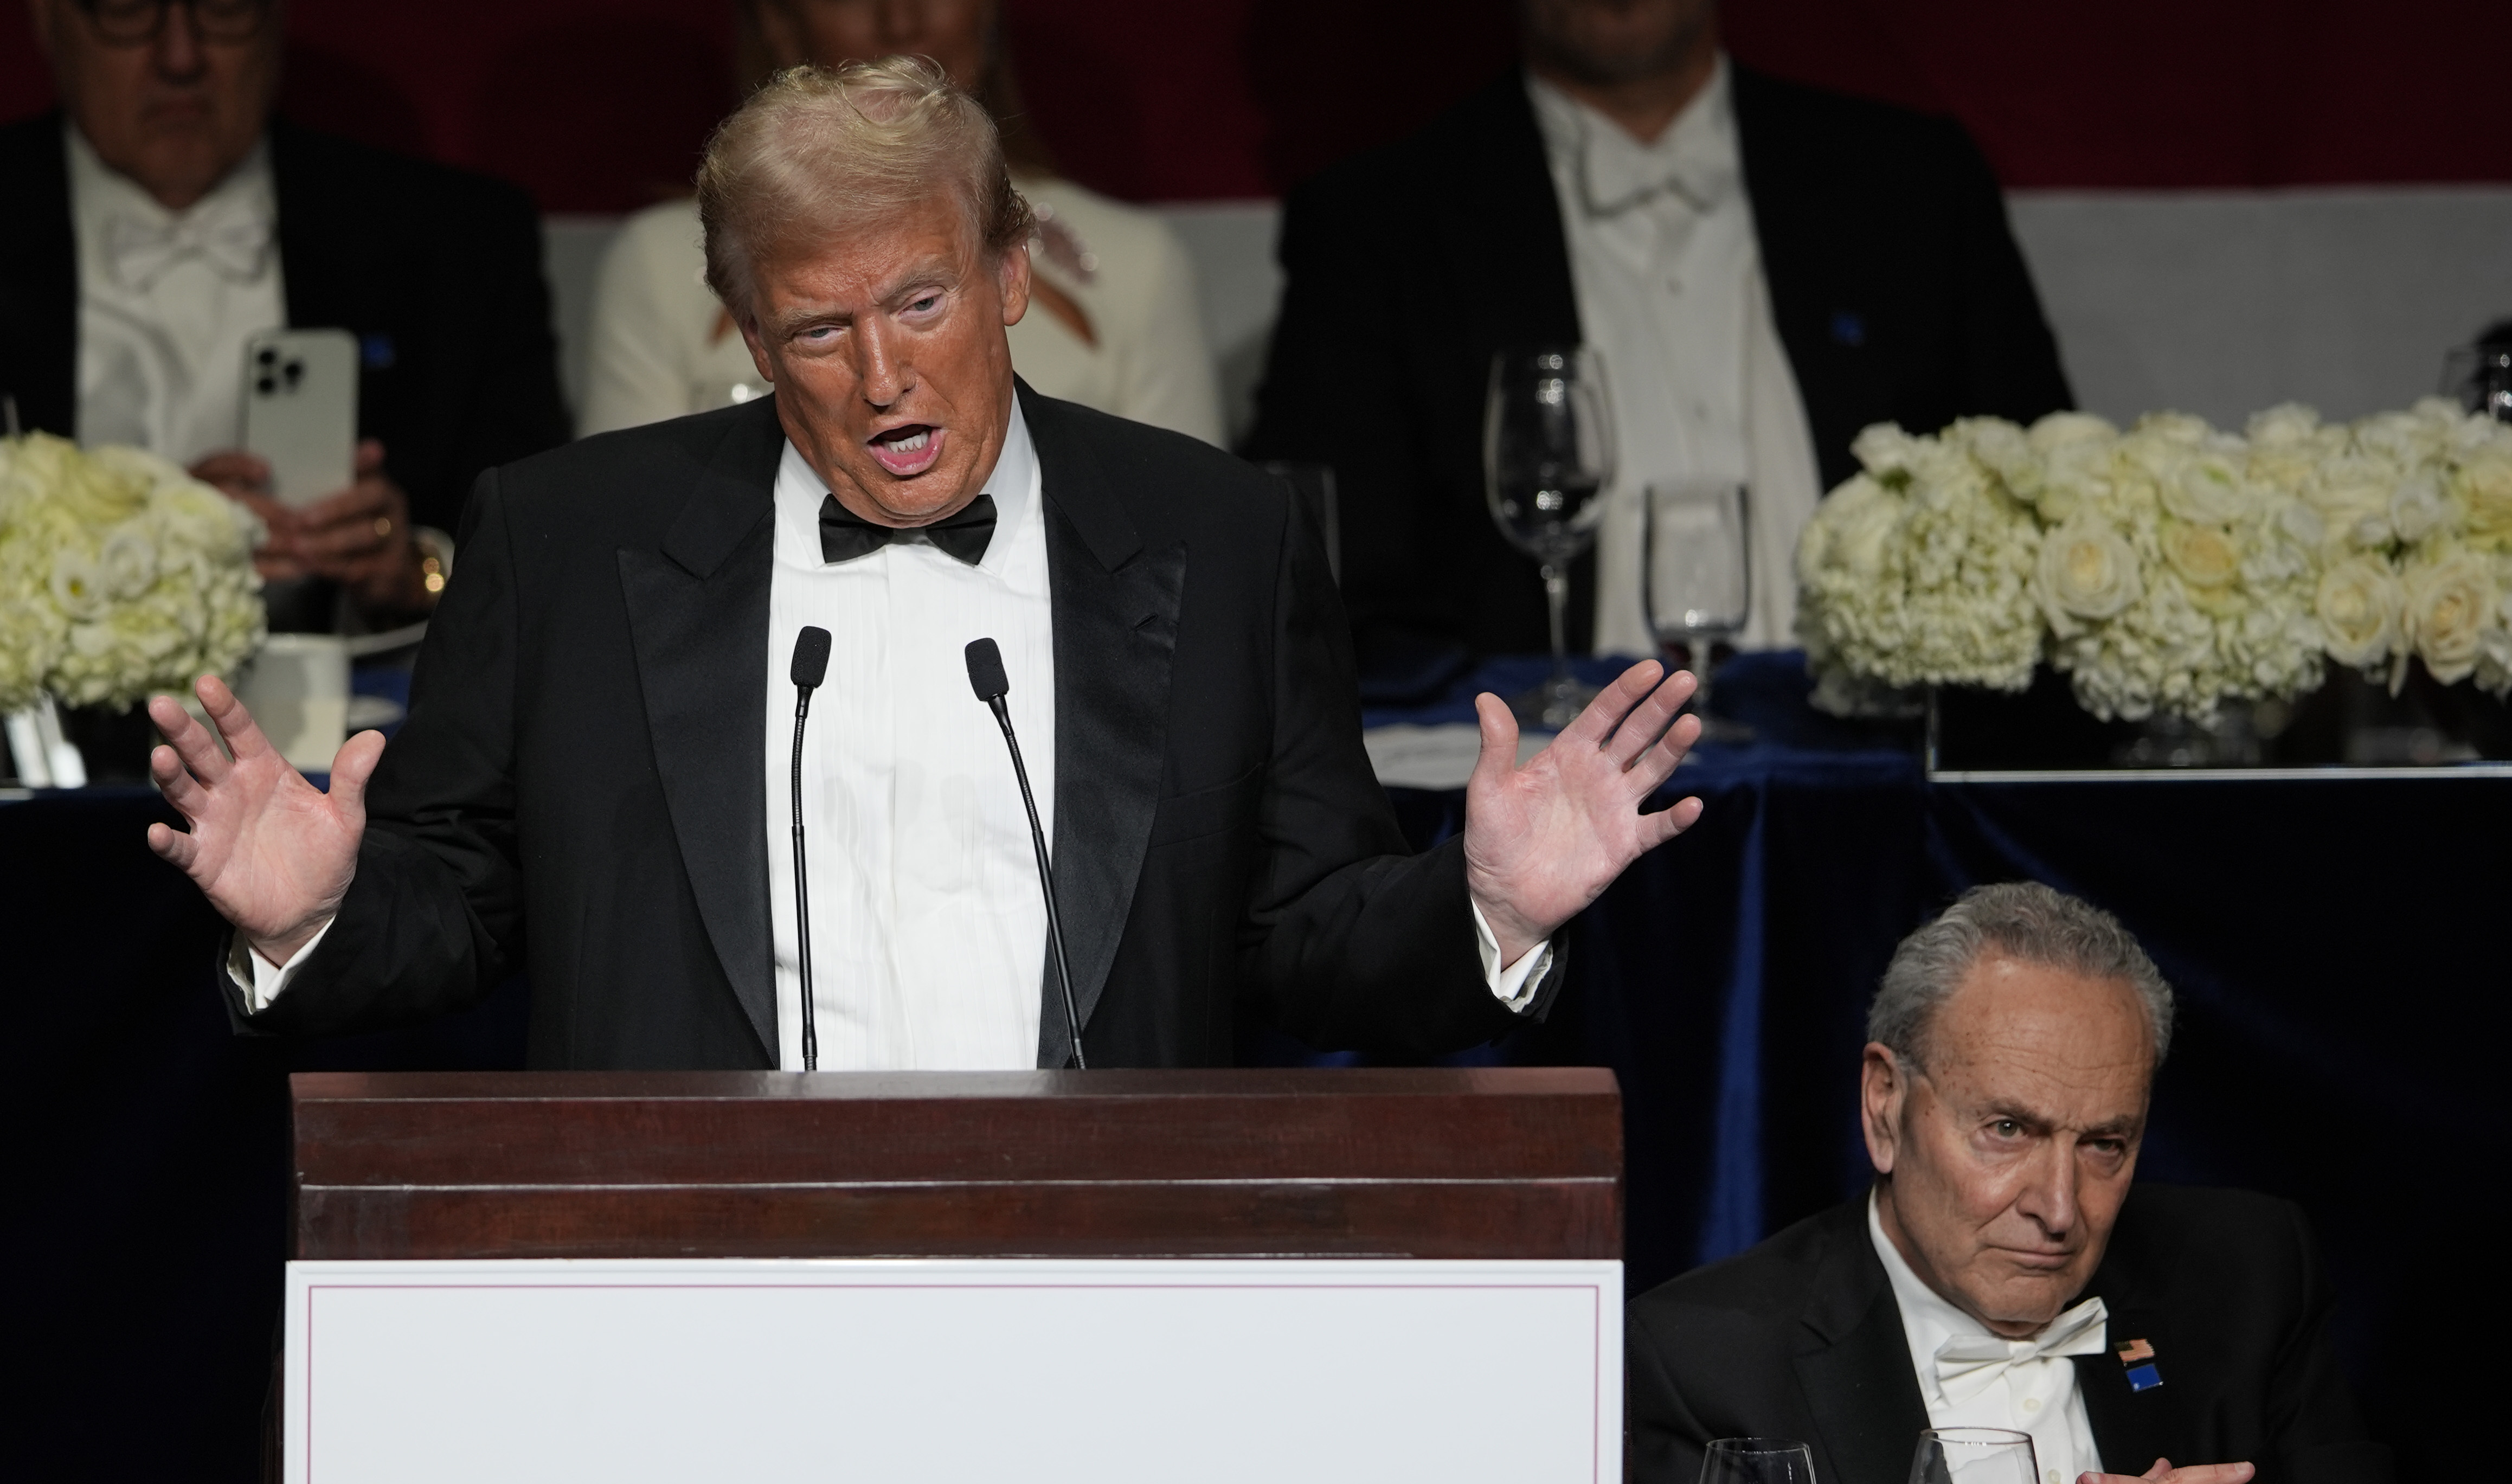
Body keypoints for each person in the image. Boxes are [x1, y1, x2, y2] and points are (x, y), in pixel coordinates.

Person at [139, 57, 1706, 1071]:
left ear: (1010, 272)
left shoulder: (1217, 535)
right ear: (753, 338)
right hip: (693, 1288)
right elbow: (462, 905)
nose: (882, 375)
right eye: (820, 327)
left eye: (922, 303)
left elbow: (1301, 936)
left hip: (1100, 1286)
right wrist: (309, 920)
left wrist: (1485, 910)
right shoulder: (566, 539)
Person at [1626, 883, 2465, 1484]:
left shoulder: (2245, 1276)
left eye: (2105, 1144)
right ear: (1883, 1105)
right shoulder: (1702, 1359)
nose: (2061, 1208)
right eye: (2006, 1129)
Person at [1247, 0, 2072, 674]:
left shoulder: (1914, 184)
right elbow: (1328, 587)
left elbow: (2047, 501)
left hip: (1881, 792)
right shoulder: (1376, 224)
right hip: (1539, 804)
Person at [0, 0, 570, 629]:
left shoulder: (459, 240)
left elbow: (546, 550)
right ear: (49, 21)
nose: (180, 57)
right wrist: (122, 546)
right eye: (129, 11)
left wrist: (417, 569)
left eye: (223, 10)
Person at [579, 0, 1223, 447]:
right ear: (780, 22)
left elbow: (1186, 527)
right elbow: (628, 529)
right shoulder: (659, 262)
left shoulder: (1137, 259)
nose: (901, 20)